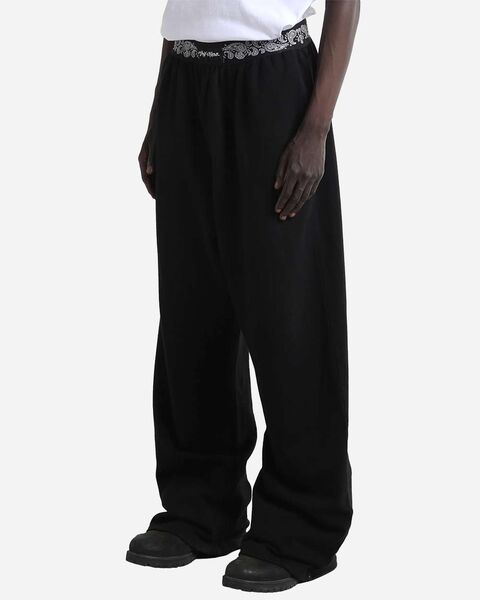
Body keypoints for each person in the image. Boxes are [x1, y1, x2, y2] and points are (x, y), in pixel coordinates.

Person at [126, 0, 360, 592]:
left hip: (273, 86)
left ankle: (300, 527)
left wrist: (315, 126)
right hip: (185, 82)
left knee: (290, 318)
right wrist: (159, 110)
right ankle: (201, 509)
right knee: (192, 311)